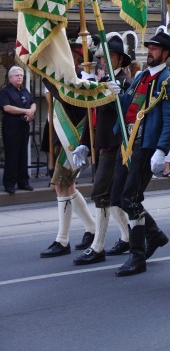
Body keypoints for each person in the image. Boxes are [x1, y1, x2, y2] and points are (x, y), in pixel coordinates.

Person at [109, 30, 170, 277]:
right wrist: (116, 95)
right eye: (149, 47)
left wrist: (162, 151)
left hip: (145, 147)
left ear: (165, 54)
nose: (150, 51)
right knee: (118, 196)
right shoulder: (140, 77)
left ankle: (137, 256)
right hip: (127, 145)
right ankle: (155, 235)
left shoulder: (168, 81)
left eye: (155, 48)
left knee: (131, 198)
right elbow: (128, 108)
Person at [72, 35, 132, 265]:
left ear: (119, 59)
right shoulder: (104, 80)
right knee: (113, 196)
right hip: (103, 143)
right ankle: (128, 237)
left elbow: (127, 112)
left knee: (102, 194)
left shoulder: (124, 83)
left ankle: (98, 246)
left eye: (110, 57)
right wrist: (85, 142)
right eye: (102, 58)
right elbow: (92, 116)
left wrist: (118, 95)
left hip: (116, 144)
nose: (104, 61)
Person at [39, 40, 97, 257]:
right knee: (65, 186)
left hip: (74, 142)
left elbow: (61, 94)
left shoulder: (78, 81)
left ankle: (63, 241)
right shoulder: (65, 80)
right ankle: (92, 228)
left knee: (62, 186)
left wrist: (42, 68)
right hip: (64, 141)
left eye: (69, 55)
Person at [0, 66, 36, 194]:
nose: (20, 77)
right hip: (11, 125)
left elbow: (32, 102)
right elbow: (7, 108)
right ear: (10, 78)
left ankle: (23, 182)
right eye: (17, 75)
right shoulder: (5, 91)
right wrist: (26, 111)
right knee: (12, 154)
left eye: (21, 75)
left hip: (24, 125)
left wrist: (31, 111)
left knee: (23, 153)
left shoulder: (24, 90)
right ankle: (9, 183)